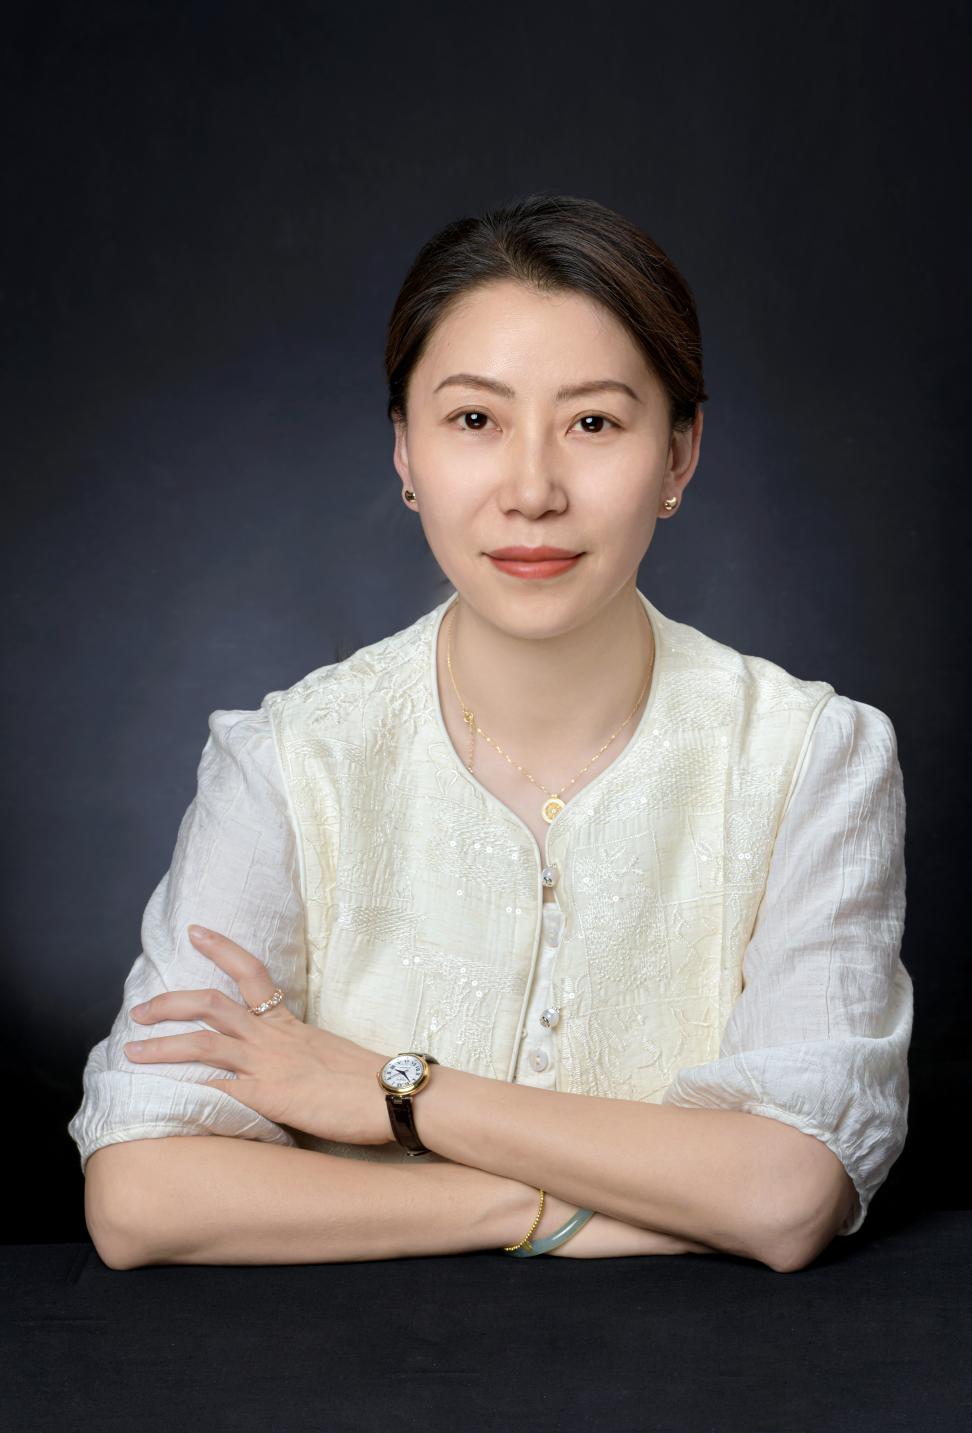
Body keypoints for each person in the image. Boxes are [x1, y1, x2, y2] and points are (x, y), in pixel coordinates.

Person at [71, 194, 912, 1271]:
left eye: (594, 423)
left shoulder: (809, 758)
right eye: (475, 420)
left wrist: (397, 1094)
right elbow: (141, 1193)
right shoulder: (290, 760)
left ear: (679, 455)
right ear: (404, 450)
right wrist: (537, 1205)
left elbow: (787, 1192)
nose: (531, 490)